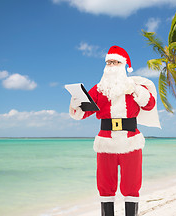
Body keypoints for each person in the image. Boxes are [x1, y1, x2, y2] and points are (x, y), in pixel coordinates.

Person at [69, 45, 160, 216]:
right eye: (108, 62)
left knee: (132, 185)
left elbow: (150, 104)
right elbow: (82, 114)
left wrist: (136, 90)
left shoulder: (135, 87)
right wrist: (76, 103)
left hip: (130, 140)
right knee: (105, 186)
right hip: (106, 142)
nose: (111, 66)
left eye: (115, 62)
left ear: (123, 65)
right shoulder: (98, 89)